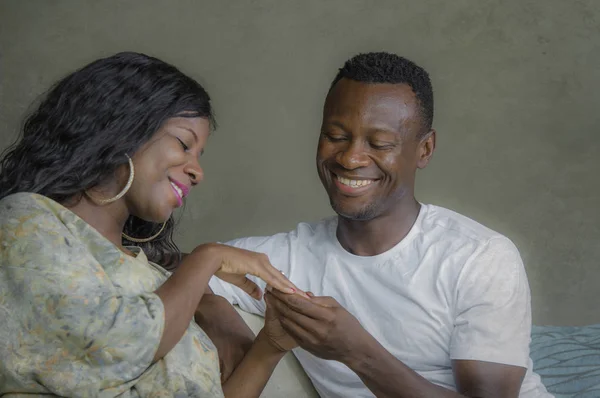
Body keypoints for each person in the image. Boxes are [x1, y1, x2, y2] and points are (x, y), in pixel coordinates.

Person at [208, 52, 553, 397]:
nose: (350, 157)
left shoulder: (479, 258)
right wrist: (216, 315)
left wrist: (357, 352)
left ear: (425, 149)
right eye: (336, 135)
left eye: (380, 143)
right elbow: (173, 267)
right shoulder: (288, 259)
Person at [0, 51, 305, 398]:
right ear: (122, 128)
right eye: (184, 144)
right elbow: (112, 350)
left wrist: (269, 349)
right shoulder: (24, 221)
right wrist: (207, 259)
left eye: (199, 155)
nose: (197, 171)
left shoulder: (160, 282)